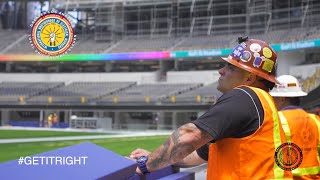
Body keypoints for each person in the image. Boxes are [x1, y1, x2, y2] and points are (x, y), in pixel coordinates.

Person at [130, 37, 292, 179]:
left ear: (249, 77)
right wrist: (154, 157)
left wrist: (145, 165)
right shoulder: (262, 103)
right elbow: (198, 155)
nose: (221, 71)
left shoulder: (244, 96)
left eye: (231, 67)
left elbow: (190, 135)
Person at [270, 75, 320, 179]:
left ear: (282, 99)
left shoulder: (276, 120)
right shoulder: (315, 120)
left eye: (273, 98)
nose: (272, 101)